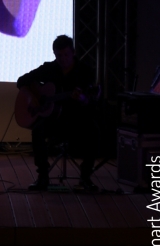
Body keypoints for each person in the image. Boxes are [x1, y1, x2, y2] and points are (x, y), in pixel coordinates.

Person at [16, 35, 100, 191]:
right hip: (54, 119)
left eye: (66, 55)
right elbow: (22, 81)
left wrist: (82, 98)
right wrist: (33, 97)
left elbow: (90, 101)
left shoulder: (84, 71)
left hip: (75, 118)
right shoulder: (50, 68)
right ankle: (43, 176)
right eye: (59, 55)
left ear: (73, 52)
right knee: (38, 130)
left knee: (93, 130)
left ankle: (85, 176)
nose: (63, 59)